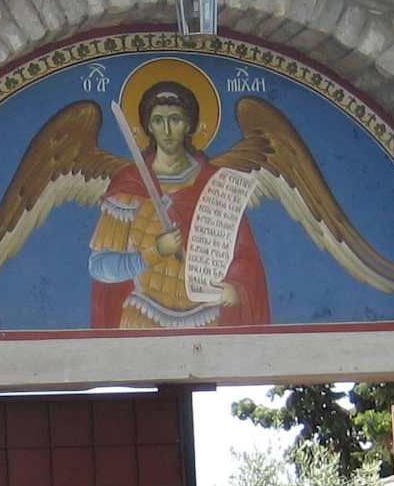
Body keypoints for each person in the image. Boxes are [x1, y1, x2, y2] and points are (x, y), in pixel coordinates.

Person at [88, 81, 270, 330]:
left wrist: (235, 288)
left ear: (189, 125)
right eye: (158, 120)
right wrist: (154, 252)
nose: (166, 130)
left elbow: (244, 256)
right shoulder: (130, 185)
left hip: (206, 320)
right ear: (148, 127)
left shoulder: (217, 185)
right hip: (143, 319)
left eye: (175, 119)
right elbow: (100, 266)